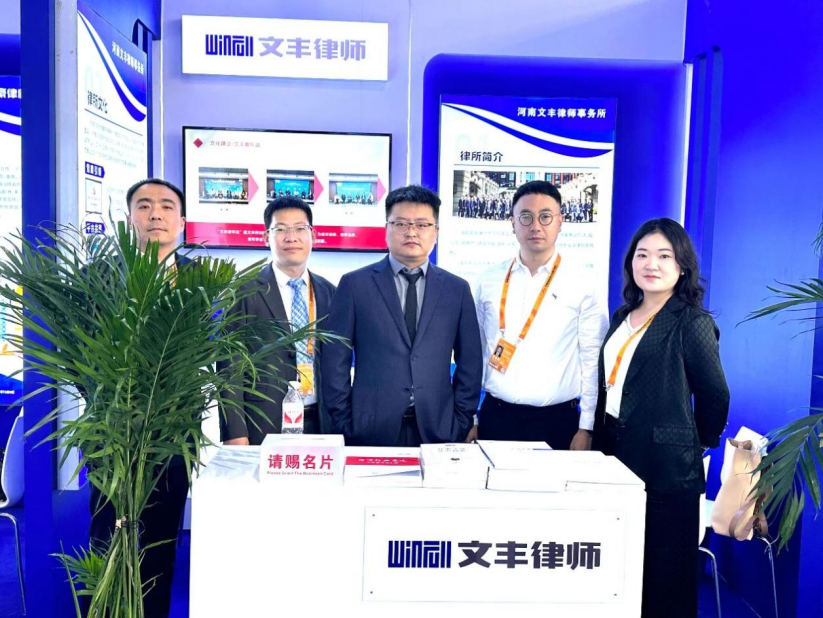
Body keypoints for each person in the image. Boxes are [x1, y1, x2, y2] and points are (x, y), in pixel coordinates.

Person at [592, 218, 729, 618]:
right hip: (614, 453)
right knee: (622, 567)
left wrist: (695, 443)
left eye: (664, 256)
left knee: (666, 575)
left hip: (668, 467)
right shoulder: (622, 315)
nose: (651, 264)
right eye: (643, 254)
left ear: (682, 266)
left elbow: (715, 395)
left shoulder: (692, 322)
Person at [88, 178, 190, 618]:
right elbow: (83, 356)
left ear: (181, 221)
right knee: (107, 540)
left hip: (173, 435)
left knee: (162, 543)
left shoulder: (201, 280)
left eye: (166, 206)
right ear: (130, 218)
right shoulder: (100, 276)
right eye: (144, 205)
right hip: (111, 436)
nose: (155, 214)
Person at [321, 184, 483, 447]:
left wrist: (461, 420)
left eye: (422, 224)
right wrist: (344, 420)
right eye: (401, 224)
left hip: (438, 429)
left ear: (436, 232)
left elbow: (470, 362)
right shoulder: (354, 285)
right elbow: (334, 359)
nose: (411, 232)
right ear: (386, 228)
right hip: (369, 429)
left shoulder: (457, 289)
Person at [473, 181, 607, 449]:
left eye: (545, 216)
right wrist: (472, 416)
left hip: (558, 422)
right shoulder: (488, 280)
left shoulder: (584, 282)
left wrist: (587, 427)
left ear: (560, 221)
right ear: (512, 223)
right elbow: (474, 354)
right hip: (495, 417)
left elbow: (592, 360)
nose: (535, 226)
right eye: (525, 217)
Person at [219, 196, 336, 444]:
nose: (291, 237)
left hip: (321, 423)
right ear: (266, 237)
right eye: (280, 229)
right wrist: (235, 434)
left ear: (313, 235)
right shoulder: (243, 291)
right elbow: (230, 365)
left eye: (300, 229)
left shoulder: (330, 292)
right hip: (262, 422)